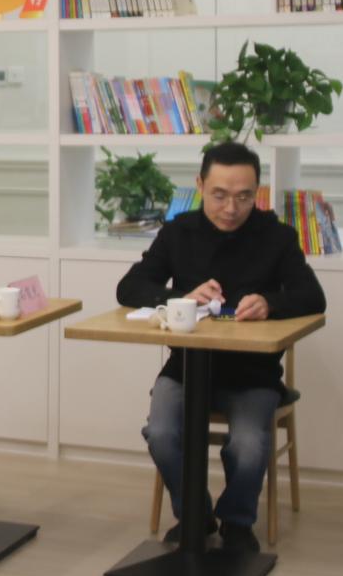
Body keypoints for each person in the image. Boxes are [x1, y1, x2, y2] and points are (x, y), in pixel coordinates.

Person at [116, 141, 326, 553]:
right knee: (160, 434)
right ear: (199, 185)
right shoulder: (178, 232)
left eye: (244, 197)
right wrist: (179, 297)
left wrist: (270, 303)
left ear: (257, 191)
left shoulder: (277, 236)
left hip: (253, 374)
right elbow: (130, 287)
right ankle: (195, 516)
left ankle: (236, 522)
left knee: (248, 446)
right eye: (219, 195)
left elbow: (313, 297)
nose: (231, 208)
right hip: (186, 367)